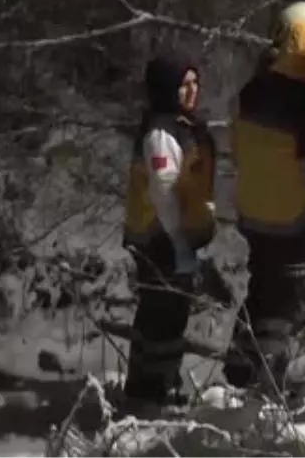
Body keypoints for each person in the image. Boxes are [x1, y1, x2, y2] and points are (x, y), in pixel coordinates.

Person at [224, 13, 305, 401]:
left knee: (263, 281)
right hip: (289, 214)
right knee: (285, 296)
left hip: (251, 211)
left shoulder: (252, 93)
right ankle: (269, 379)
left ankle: (242, 353)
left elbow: (238, 149)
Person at [122, 52, 217, 411]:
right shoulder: (161, 133)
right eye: (184, 85)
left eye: (195, 83)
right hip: (160, 239)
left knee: (163, 314)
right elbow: (164, 191)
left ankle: (152, 388)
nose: (193, 91)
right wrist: (180, 243)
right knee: (163, 316)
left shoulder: (180, 125)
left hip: (168, 238)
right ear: (167, 89)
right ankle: (151, 393)